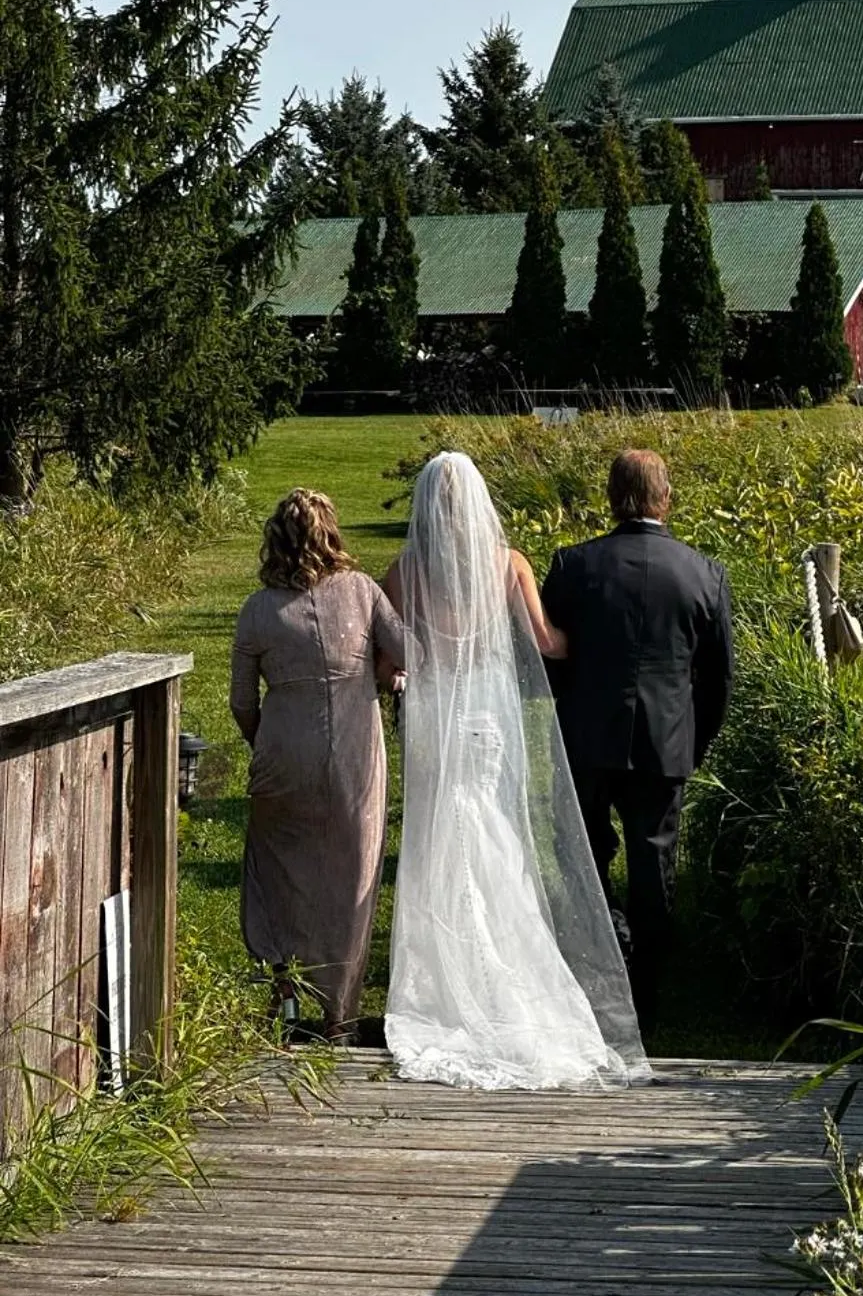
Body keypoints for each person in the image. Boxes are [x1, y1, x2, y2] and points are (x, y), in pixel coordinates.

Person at [380, 451, 648, 1090]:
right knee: (493, 827)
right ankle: (508, 963)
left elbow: (385, 650)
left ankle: (444, 973)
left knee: (438, 830)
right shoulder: (508, 564)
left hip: (434, 716)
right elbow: (548, 643)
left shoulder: (406, 570)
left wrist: (398, 672)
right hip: (487, 719)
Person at [542, 448, 734, 1033]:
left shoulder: (574, 565)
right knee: (654, 859)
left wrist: (566, 710)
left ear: (610, 496)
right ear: (665, 498)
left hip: (587, 734)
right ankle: (647, 981)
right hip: (664, 738)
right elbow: (719, 675)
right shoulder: (702, 572)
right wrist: (693, 741)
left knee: (586, 851)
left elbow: (547, 655)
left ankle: (604, 953)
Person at [231, 489, 406, 1041]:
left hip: (283, 753)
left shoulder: (258, 610)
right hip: (354, 757)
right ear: (332, 534)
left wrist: (264, 742)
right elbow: (408, 652)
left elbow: (241, 702)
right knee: (352, 879)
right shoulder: (361, 592)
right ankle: (340, 1017)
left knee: (281, 875)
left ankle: (284, 992)